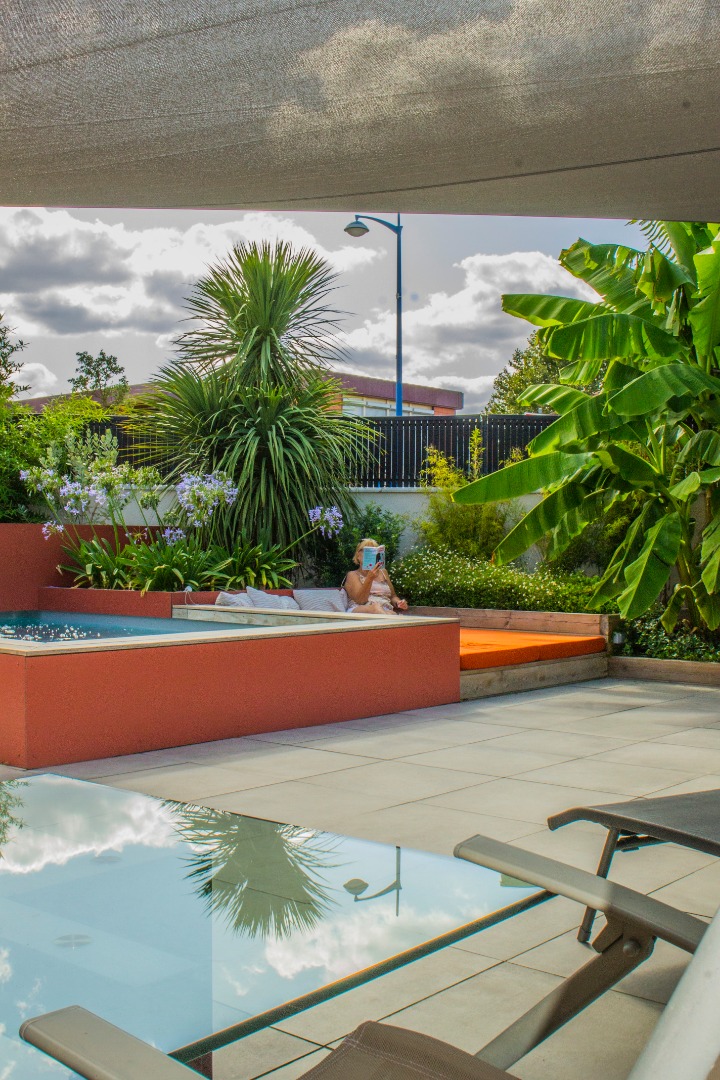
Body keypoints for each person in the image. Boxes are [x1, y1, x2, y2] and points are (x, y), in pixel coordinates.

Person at [344, 538, 409, 615]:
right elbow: (361, 600)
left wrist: (399, 602)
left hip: (384, 610)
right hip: (360, 609)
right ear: (358, 555)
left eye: (374, 552)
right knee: (376, 608)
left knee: (391, 613)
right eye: (367, 551)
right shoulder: (353, 575)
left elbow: (393, 596)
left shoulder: (383, 572)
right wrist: (369, 579)